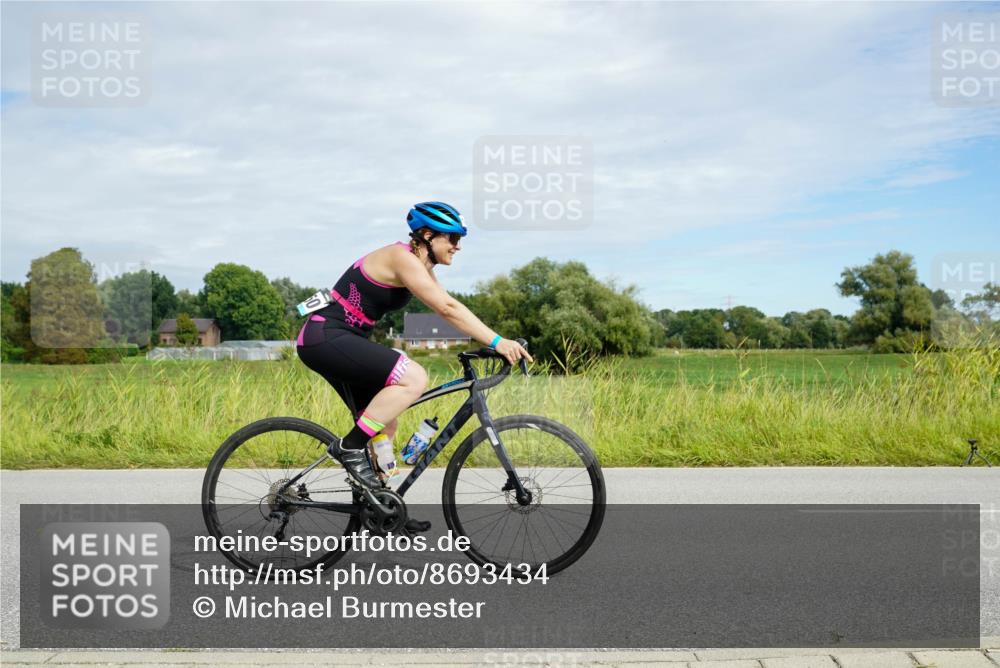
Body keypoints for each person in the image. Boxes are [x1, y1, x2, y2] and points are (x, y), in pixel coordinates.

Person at [295, 201, 532, 530]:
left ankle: (381, 511)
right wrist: (497, 341)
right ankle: (348, 448)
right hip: (325, 336)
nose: (457, 245)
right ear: (427, 235)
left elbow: (453, 308)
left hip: (343, 338)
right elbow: (446, 309)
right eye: (452, 238)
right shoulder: (401, 258)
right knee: (413, 378)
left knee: (385, 425)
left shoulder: (422, 267)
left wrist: (492, 341)